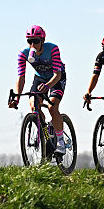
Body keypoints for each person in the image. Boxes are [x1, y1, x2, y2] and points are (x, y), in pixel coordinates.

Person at [10, 25, 68, 155]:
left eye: (35, 41)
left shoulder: (53, 48)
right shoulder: (23, 54)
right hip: (40, 78)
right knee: (34, 106)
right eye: (29, 41)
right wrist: (16, 98)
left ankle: (60, 142)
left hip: (56, 78)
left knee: (52, 107)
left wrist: (48, 86)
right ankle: (46, 133)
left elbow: (57, 75)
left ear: (42, 40)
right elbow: (21, 78)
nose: (32, 44)